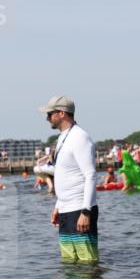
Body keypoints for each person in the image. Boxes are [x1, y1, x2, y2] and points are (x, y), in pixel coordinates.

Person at [39, 95, 99, 263]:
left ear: (62, 113)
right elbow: (64, 174)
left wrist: (86, 212)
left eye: (50, 113)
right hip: (66, 209)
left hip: (80, 209)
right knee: (69, 263)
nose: (47, 118)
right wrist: (58, 205)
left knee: (87, 263)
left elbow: (90, 175)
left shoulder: (80, 137)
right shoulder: (62, 138)